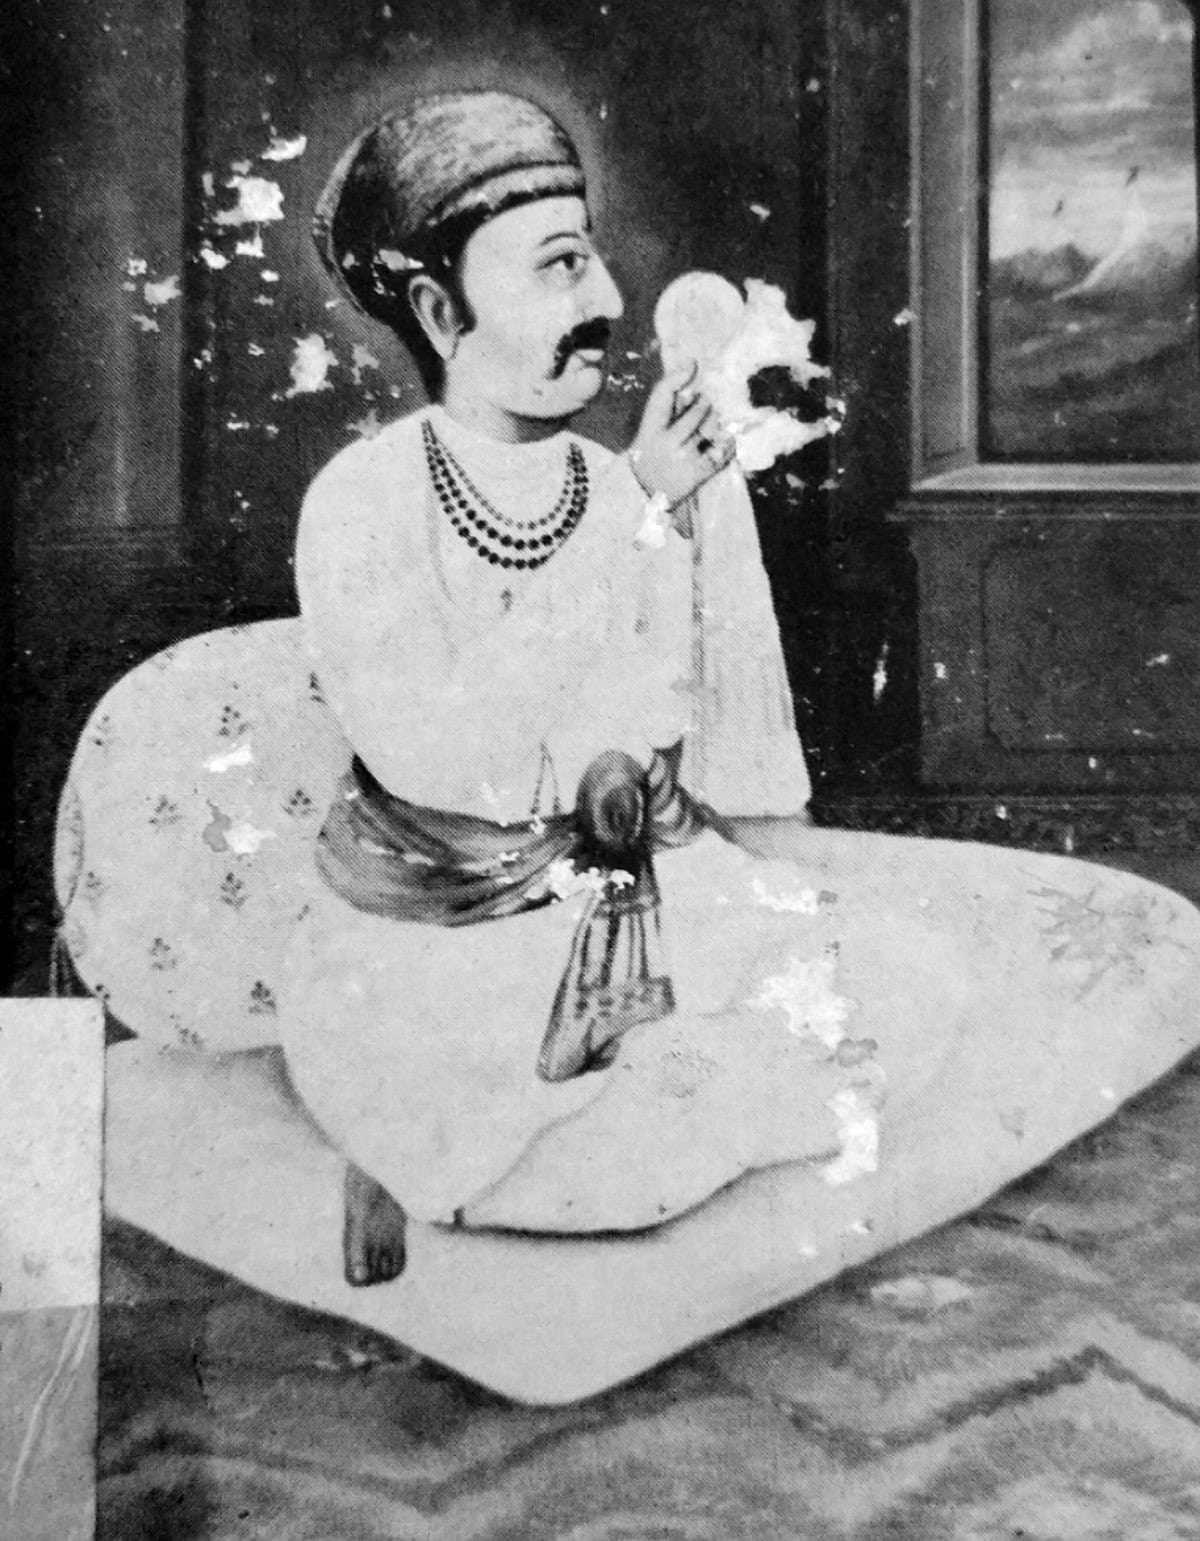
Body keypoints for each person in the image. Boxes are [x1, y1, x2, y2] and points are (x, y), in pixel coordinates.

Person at [275, 90, 1200, 1287]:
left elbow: (674, 725)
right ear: (443, 311)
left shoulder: (611, 476)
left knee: (912, 987)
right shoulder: (366, 499)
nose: (609, 300)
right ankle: (507, 1153)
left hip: (636, 895)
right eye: (560, 267)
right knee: (625, 1144)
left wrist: (682, 519)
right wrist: (641, 509)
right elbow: (444, 757)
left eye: (593, 257)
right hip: (446, 939)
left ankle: (633, 1136)